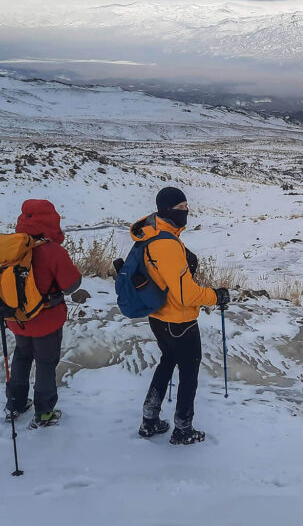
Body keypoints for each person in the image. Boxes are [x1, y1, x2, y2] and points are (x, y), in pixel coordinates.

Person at [119, 186, 230, 445]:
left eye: (186, 206)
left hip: (158, 315)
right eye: (181, 207)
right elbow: (186, 295)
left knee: (168, 361)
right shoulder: (166, 244)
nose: (186, 211)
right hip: (178, 320)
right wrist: (216, 296)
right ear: (167, 209)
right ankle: (183, 429)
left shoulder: (154, 233)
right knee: (189, 372)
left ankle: (150, 420)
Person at [4, 199, 81, 429]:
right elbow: (72, 285)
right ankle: (45, 412)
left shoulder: (11, 246)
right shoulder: (52, 250)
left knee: (22, 355)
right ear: (51, 221)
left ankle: (15, 404)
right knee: (46, 363)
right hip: (45, 319)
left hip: (17, 318)